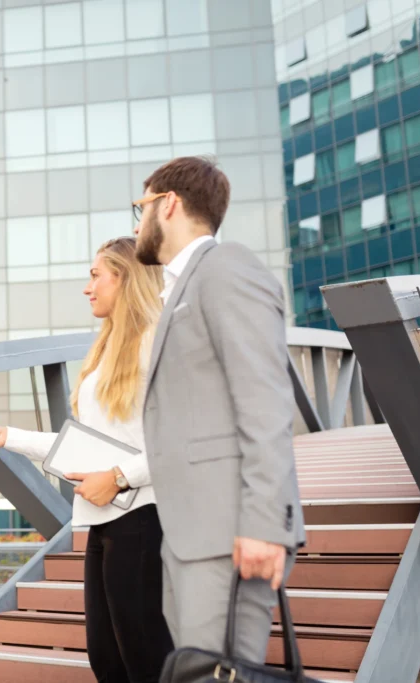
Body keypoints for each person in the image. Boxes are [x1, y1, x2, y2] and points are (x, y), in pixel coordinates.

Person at [0, 237, 174, 683]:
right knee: (108, 658)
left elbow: (183, 438)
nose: (87, 287)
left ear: (126, 278)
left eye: (96, 275)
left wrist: (118, 478)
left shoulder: (157, 343)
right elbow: (82, 445)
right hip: (104, 521)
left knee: (146, 659)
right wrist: (6, 436)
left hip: (143, 516)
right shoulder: (108, 349)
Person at [131, 156, 305, 662]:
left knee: (217, 674)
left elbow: (266, 402)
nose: (137, 223)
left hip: (230, 531)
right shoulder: (185, 285)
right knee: (197, 671)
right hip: (196, 532)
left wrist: (264, 524)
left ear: (168, 203)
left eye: (139, 208)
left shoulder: (226, 269)